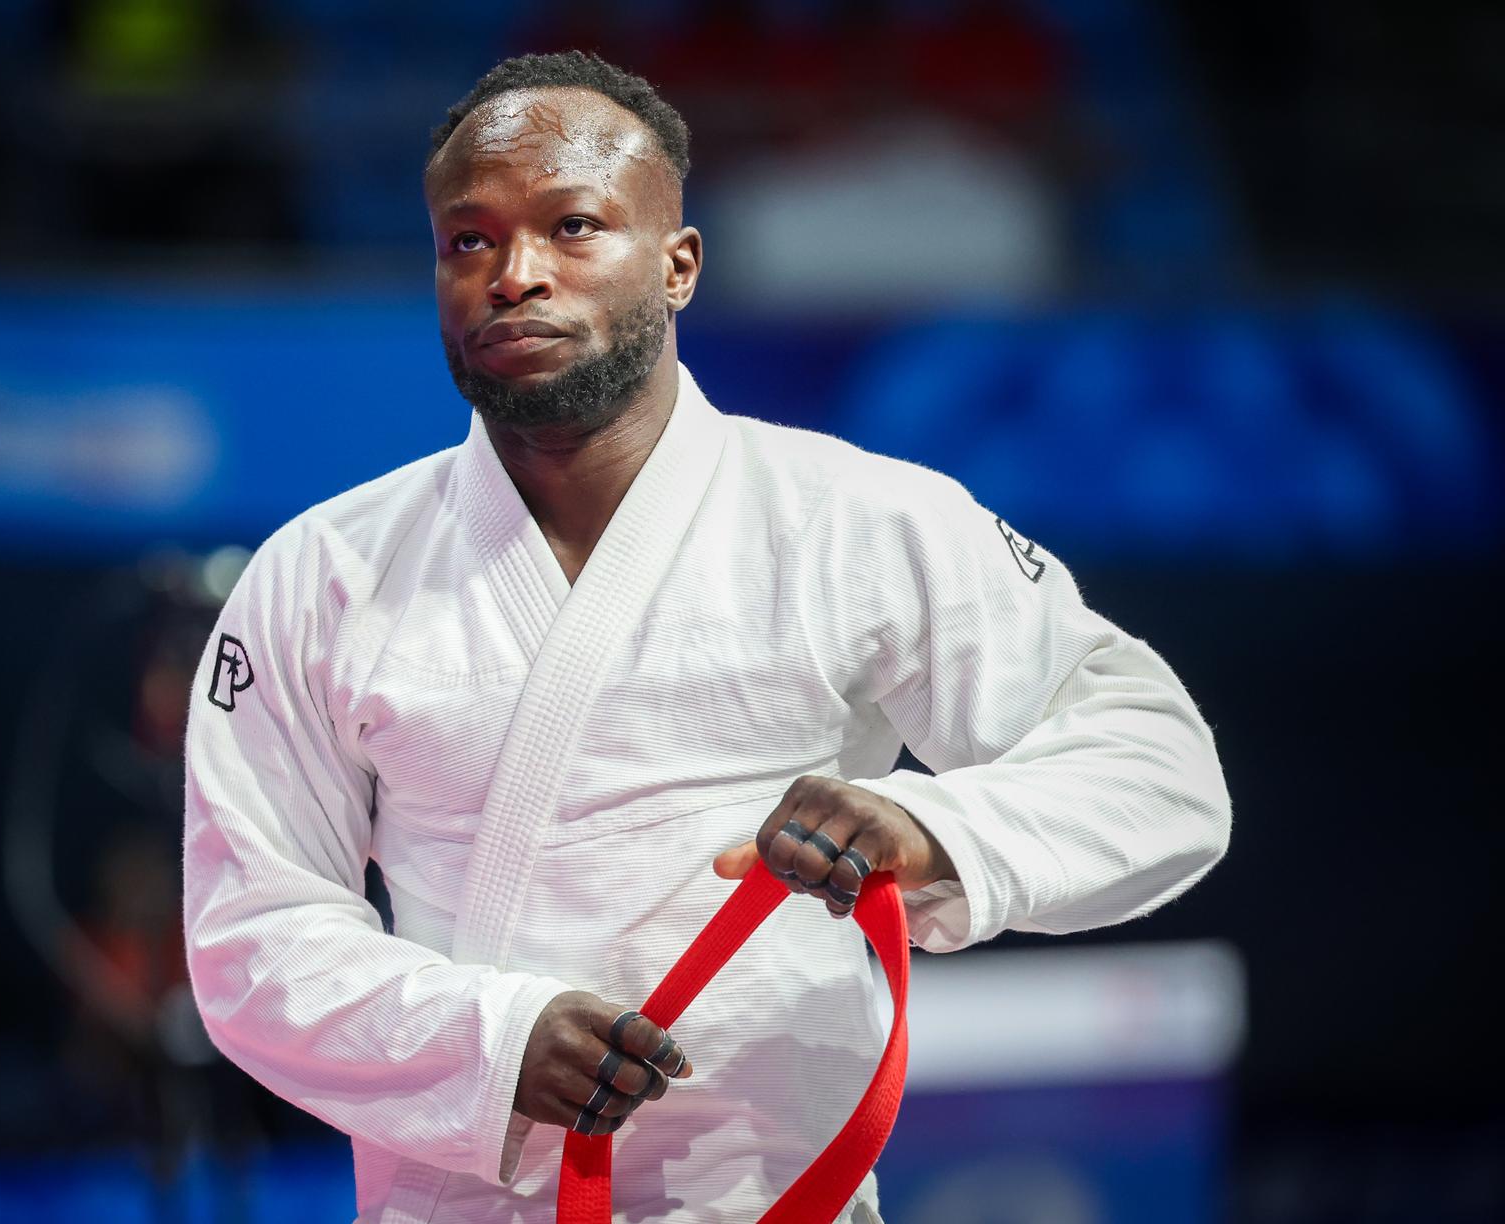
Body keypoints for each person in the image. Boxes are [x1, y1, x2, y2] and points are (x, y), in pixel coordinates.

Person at [182, 51, 1230, 1224]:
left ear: (678, 265)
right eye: (467, 242)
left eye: (573, 227)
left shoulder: (860, 521)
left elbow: (1161, 771)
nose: (515, 275)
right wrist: (495, 1042)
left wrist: (929, 827)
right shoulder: (321, 575)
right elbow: (251, 941)